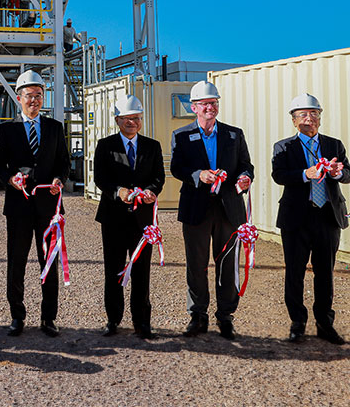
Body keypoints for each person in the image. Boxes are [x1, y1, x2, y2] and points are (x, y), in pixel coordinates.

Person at [170, 80, 253, 340]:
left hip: (229, 209)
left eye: (214, 103)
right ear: (194, 107)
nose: (210, 107)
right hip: (196, 208)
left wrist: (245, 178)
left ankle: (225, 316)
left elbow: (246, 165)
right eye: (205, 103)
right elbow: (177, 168)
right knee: (196, 264)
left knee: (227, 264)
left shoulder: (233, 134)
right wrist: (198, 175)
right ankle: (198, 315)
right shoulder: (181, 136)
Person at [0, 70, 70, 337]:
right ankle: (17, 316)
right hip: (18, 207)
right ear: (19, 98)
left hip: (49, 207)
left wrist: (60, 179)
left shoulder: (55, 128)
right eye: (29, 96)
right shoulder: (8, 130)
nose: (34, 101)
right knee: (16, 262)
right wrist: (10, 181)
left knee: (49, 262)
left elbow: (64, 162)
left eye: (39, 95)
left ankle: (49, 318)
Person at [272, 93, 349, 345]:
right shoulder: (284, 147)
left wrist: (338, 173)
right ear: (294, 121)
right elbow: (279, 175)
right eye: (303, 114)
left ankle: (325, 324)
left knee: (325, 272)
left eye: (314, 113)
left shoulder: (334, 144)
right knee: (295, 272)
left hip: (327, 216)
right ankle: (298, 322)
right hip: (296, 218)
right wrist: (306, 173)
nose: (310, 119)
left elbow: (348, 173)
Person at [93, 95, 165, 340]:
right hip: (113, 219)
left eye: (136, 118)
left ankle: (142, 322)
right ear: (117, 120)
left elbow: (158, 178)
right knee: (113, 270)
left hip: (142, 221)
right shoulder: (106, 145)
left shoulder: (152, 146)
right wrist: (118, 192)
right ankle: (113, 320)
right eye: (127, 118)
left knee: (142, 271)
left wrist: (151, 192)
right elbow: (100, 179)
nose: (132, 122)